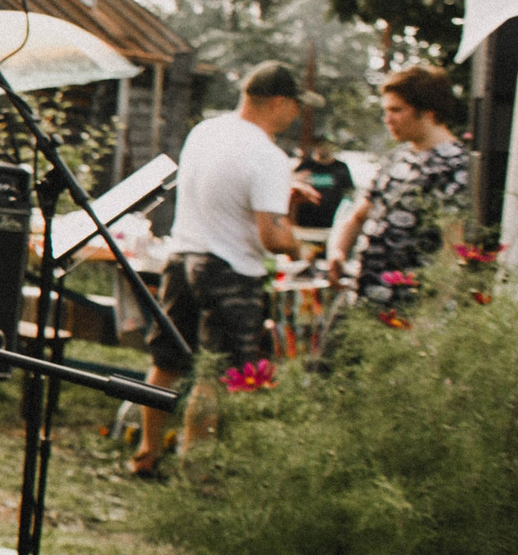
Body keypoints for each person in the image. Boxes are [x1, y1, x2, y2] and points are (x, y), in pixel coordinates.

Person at [131, 61, 318, 474]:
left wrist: (282, 194)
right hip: (229, 271)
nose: (296, 116)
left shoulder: (206, 132)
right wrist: (302, 247)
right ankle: (195, 470)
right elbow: (272, 237)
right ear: (279, 102)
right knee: (214, 374)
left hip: (181, 259)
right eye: (296, 107)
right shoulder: (268, 154)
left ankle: (147, 453)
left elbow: (224, 191)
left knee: (166, 363)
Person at [331, 64, 470, 316]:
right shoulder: (398, 157)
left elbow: (453, 250)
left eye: (396, 110)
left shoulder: (456, 166)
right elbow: (358, 216)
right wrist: (338, 252)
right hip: (359, 301)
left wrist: (430, 317)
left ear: (428, 112)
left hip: (406, 311)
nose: (388, 119)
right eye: (385, 110)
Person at [290, 136, 355, 233]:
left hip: (331, 223)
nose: (323, 148)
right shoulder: (306, 166)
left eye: (327, 145)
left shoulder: (341, 167)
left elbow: (349, 192)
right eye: (320, 145)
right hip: (305, 222)